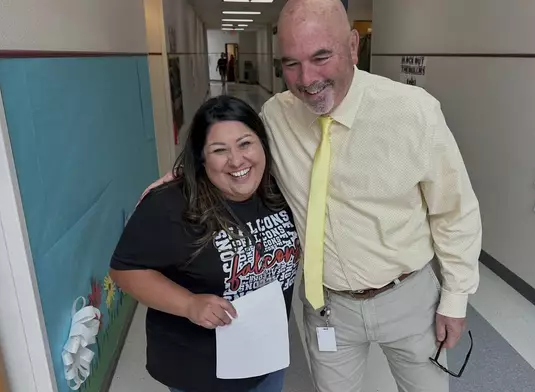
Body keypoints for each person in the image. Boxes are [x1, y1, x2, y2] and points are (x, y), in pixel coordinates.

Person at [141, 0, 482, 391]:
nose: (307, 79)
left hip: (408, 297)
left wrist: (455, 300)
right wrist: (186, 174)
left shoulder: (414, 113)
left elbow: (455, 213)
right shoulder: (276, 115)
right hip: (327, 306)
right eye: (291, 63)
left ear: (353, 46)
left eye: (322, 56)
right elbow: (239, 157)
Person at [110, 95, 300, 392]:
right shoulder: (170, 205)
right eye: (219, 150)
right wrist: (188, 304)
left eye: (245, 143)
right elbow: (125, 270)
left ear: (263, 143)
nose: (237, 160)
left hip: (266, 359)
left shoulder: (282, 191)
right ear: (201, 157)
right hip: (199, 371)